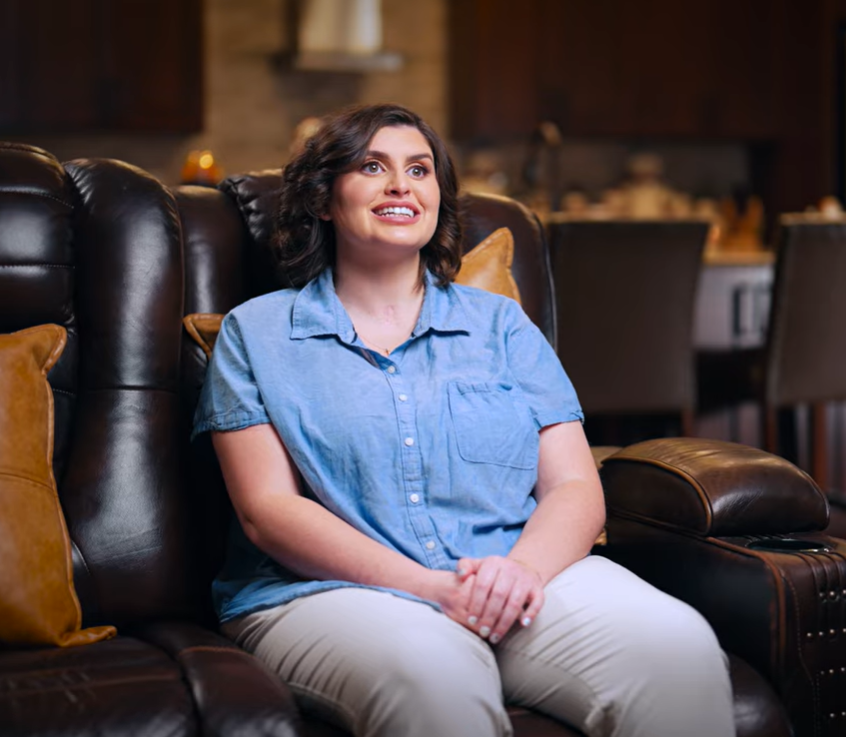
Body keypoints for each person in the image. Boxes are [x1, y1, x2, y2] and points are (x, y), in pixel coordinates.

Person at [192, 103, 734, 737]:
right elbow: (268, 511)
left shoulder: (501, 324)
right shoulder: (255, 333)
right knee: (434, 678)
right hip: (331, 592)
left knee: (679, 651)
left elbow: (574, 486)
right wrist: (431, 588)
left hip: (517, 570)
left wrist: (520, 573)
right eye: (373, 167)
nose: (401, 185)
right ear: (323, 199)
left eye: (419, 170)